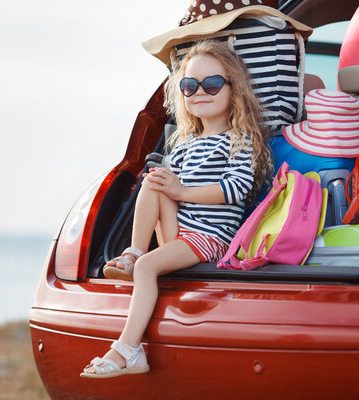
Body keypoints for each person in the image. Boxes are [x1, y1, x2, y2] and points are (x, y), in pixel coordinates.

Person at [80, 40, 272, 378]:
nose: (199, 92)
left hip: (210, 238)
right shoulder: (184, 145)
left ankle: (127, 348)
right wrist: (171, 186)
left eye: (211, 84)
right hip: (180, 232)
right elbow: (168, 193)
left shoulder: (239, 139)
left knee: (146, 269)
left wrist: (181, 190)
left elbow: (234, 189)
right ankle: (135, 251)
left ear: (234, 90)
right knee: (154, 179)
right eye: (188, 85)